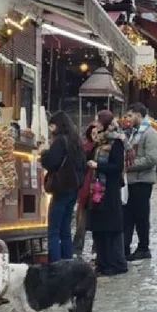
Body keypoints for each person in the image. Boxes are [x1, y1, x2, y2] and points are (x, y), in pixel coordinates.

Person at [86, 110, 128, 276]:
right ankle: (102, 263)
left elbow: (117, 167)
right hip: (97, 190)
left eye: (98, 122)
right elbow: (88, 156)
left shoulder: (116, 142)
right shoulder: (99, 142)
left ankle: (114, 263)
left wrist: (98, 166)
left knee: (111, 228)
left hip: (109, 190)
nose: (95, 124)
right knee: (99, 228)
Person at [40, 111, 86, 263]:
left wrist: (43, 154)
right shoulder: (76, 141)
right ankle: (68, 263)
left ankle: (55, 265)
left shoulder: (60, 141)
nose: (51, 129)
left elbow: (51, 162)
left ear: (58, 125)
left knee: (54, 230)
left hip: (61, 188)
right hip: (74, 189)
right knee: (65, 229)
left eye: (51, 126)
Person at [123, 103, 157, 261]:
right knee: (129, 217)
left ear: (139, 115)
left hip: (142, 181)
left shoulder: (150, 134)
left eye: (130, 115)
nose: (128, 119)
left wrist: (128, 166)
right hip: (131, 182)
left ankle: (143, 247)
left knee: (141, 217)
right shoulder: (135, 133)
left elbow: (152, 159)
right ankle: (126, 247)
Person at [73, 122, 100, 258]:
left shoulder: (102, 148)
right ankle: (77, 249)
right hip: (84, 188)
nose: (95, 136)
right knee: (81, 223)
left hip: (97, 188)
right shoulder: (84, 148)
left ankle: (96, 249)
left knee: (96, 221)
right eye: (93, 134)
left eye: (97, 133)